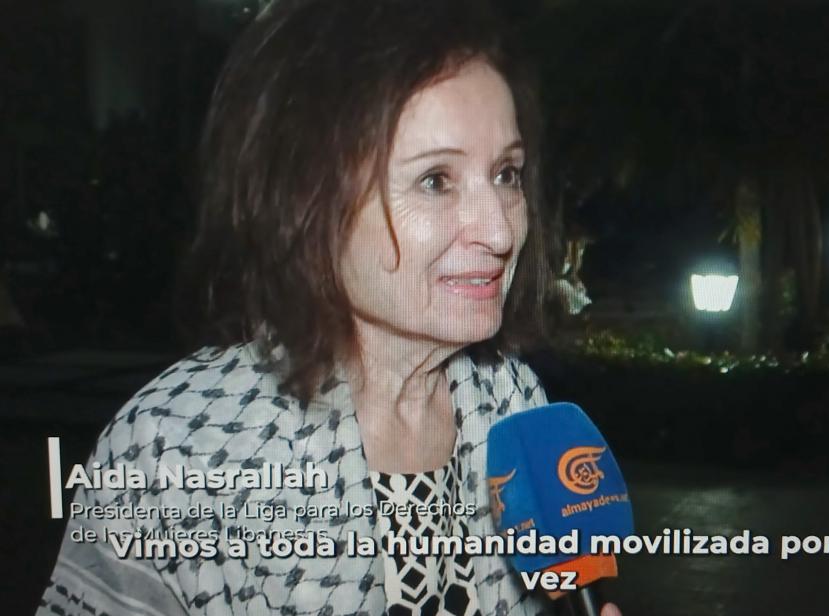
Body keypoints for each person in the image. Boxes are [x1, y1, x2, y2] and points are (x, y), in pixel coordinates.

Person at [37, 1, 623, 614]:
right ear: (306, 197)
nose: (500, 232)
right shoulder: (175, 446)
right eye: (435, 181)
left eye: (506, 174)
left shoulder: (514, 407)